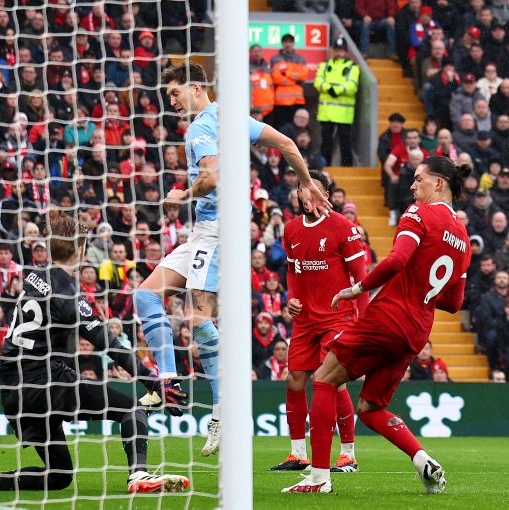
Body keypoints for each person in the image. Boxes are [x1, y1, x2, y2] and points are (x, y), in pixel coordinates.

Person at [132, 61, 331, 457]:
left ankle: (226, 407)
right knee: (146, 295)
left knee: (199, 317)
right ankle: (169, 380)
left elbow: (211, 177)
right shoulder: (234, 118)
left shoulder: (202, 126)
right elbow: (289, 145)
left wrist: (181, 196)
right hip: (210, 229)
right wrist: (306, 182)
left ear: (196, 87)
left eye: (175, 92)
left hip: (217, 228)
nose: (171, 101)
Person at [0, 211, 189, 495]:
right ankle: (139, 475)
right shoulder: (66, 295)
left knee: (58, 476)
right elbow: (108, 342)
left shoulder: (34, 276)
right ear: (81, 250)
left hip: (14, 388)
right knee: (129, 409)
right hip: (45, 380)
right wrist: (153, 380)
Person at [284, 156, 472, 494]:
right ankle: (423, 461)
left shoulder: (418, 214)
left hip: (389, 316)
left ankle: (319, 478)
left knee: (324, 378)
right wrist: (423, 292)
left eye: (418, 179)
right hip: (417, 330)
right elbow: (454, 302)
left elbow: (397, 259)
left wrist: (356, 289)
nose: (412, 186)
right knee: (371, 408)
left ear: (438, 184)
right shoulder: (463, 236)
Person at [269, 170, 368, 473]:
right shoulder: (291, 229)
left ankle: (348, 454)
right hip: (306, 320)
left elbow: (362, 278)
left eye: (314, 189)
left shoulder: (343, 227)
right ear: (297, 194)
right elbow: (293, 271)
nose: (307, 194)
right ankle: (298, 453)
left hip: (337, 317)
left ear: (325, 195)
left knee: (330, 381)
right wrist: (291, 298)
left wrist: (363, 319)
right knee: (294, 380)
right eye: (302, 188)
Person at [314, 37, 359, 166]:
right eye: (336, 50)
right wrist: (331, 88)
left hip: (344, 114)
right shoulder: (325, 65)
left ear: (346, 52)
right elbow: (318, 82)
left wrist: (335, 90)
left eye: (341, 50)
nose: (339, 53)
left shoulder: (352, 67)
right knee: (326, 142)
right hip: (326, 113)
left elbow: (352, 86)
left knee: (345, 142)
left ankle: (347, 168)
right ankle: (325, 167)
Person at [271, 34, 308, 127]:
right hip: (281, 101)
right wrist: (294, 80)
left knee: (297, 129)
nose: (288, 44)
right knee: (281, 128)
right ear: (282, 43)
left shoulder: (300, 59)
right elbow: (275, 77)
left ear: (293, 43)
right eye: (286, 42)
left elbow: (303, 76)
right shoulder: (275, 59)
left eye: (290, 42)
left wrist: (286, 73)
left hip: (297, 101)